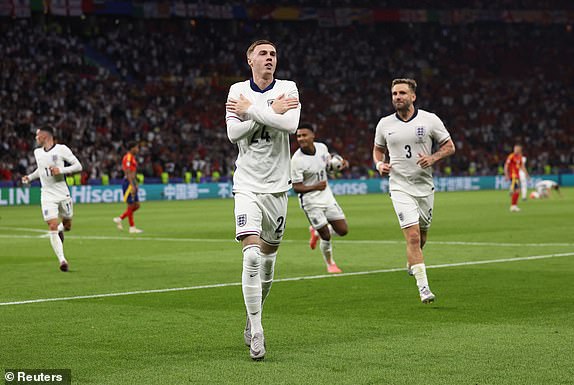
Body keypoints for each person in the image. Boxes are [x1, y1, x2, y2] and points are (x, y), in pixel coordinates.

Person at [225, 39, 300, 360]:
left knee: (268, 264)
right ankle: (257, 330)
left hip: (278, 188)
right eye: (263, 54)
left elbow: (291, 125)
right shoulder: (236, 90)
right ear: (249, 59)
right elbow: (233, 134)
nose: (269, 58)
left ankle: (251, 313)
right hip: (247, 185)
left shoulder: (289, 87)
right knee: (252, 257)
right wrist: (269, 111)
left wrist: (252, 113)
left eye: (273, 54)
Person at [372, 78, 455, 304]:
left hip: (424, 187)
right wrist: (379, 165)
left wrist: (433, 157)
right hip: (399, 186)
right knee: (413, 236)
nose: (397, 97)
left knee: (422, 235)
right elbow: (377, 151)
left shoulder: (430, 120)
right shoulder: (384, 124)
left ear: (413, 96)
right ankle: (424, 288)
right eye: (394, 94)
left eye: (401, 93)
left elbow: (449, 146)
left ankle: (412, 261)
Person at [22, 126, 83, 272]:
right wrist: (30, 177)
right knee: (52, 225)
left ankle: (62, 229)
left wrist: (61, 170)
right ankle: (62, 260)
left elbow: (78, 166)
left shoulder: (62, 149)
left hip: (62, 193)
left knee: (67, 225)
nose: (36, 138)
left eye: (37, 135)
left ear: (45, 136)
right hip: (47, 195)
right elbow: (41, 170)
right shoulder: (37, 152)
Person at [291, 123, 347, 274]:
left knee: (342, 230)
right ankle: (330, 264)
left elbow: (328, 166)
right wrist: (315, 186)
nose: (301, 138)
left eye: (304, 135)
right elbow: (296, 187)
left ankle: (315, 232)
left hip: (326, 196)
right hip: (310, 201)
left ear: (312, 136)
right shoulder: (297, 160)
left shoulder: (322, 148)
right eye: (298, 136)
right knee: (326, 235)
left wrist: (340, 166)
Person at [113, 141, 143, 234]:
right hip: (128, 182)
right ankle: (132, 227)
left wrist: (135, 183)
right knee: (130, 205)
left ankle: (120, 218)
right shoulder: (128, 157)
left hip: (132, 182)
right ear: (132, 148)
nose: (138, 150)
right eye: (136, 147)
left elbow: (133, 172)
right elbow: (128, 171)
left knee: (137, 205)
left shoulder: (132, 157)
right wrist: (131, 184)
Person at [504, 144, 528, 212]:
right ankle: (513, 206)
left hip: (517, 176)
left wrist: (526, 174)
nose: (516, 150)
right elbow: (506, 165)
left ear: (520, 150)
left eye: (517, 149)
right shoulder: (511, 156)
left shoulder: (520, 157)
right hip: (513, 176)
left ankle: (513, 205)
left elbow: (522, 166)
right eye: (515, 149)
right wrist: (506, 175)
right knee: (517, 190)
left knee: (517, 191)